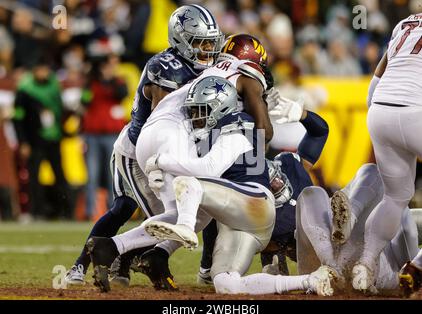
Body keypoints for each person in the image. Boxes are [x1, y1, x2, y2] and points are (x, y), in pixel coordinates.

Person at [87, 76, 335, 296]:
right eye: (194, 111)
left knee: (190, 186)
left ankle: (184, 230)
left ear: (221, 108)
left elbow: (208, 169)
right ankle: (310, 281)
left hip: (254, 201)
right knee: (227, 284)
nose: (196, 117)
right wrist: (162, 170)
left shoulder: (235, 128)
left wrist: (161, 162)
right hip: (243, 221)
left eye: (201, 110)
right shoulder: (212, 133)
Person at [64, 4, 224, 286]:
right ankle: (81, 265)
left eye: (210, 43)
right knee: (131, 209)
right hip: (141, 151)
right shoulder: (166, 66)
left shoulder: (203, 67)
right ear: (180, 39)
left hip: (173, 151)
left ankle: (124, 264)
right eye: (199, 42)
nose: (206, 50)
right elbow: (162, 123)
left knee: (199, 203)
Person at [197, 98, 329, 282]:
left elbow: (320, 132)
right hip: (268, 233)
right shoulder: (239, 184)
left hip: (303, 232)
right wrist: (206, 263)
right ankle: (274, 261)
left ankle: (277, 260)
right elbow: (213, 216)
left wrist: (303, 114)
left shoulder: (290, 164)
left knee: (328, 265)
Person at [351, 13, 422, 292]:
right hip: (415, 111)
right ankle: (417, 266)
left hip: (380, 111)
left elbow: (374, 84)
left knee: (396, 197)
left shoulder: (405, 23)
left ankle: (366, 264)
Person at [293, 164, 420, 295]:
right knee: (373, 174)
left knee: (311, 193)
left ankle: (332, 267)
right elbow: (411, 262)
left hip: (318, 264)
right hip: (360, 268)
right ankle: (361, 261)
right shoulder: (397, 207)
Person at [13, 57, 71, 219]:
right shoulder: (24, 90)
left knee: (60, 175)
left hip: (53, 138)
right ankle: (37, 211)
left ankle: (66, 211)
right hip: (34, 140)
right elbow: (18, 118)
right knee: (34, 177)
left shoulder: (54, 87)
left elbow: (61, 111)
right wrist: (23, 141)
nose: (42, 73)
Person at [81, 54, 128, 219]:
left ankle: (113, 210)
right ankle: (89, 211)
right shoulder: (91, 84)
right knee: (92, 174)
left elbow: (122, 94)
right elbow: (84, 101)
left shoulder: (118, 82)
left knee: (112, 174)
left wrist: (112, 79)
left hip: (112, 134)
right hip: (92, 134)